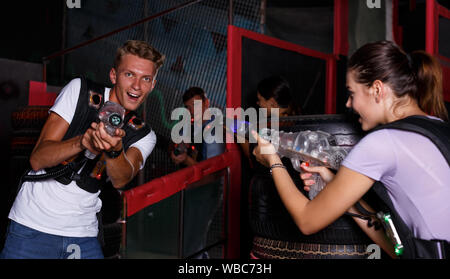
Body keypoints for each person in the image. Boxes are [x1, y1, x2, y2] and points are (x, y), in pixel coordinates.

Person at [253, 41, 450, 258]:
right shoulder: (438, 127)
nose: (348, 104)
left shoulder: (382, 142)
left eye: (352, 93)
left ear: (377, 89)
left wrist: (273, 159)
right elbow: (400, 250)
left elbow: (307, 221)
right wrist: (337, 187)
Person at [0, 40, 164, 259]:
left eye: (146, 79)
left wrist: (114, 150)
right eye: (129, 75)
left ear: (153, 85)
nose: (137, 86)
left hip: (82, 233)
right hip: (32, 225)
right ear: (114, 76)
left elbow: (122, 179)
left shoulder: (144, 134)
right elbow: (38, 159)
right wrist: (82, 142)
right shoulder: (81, 91)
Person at [170, 87, 225, 258]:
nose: (192, 110)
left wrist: (185, 158)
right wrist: (177, 152)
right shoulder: (191, 126)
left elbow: (212, 171)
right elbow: (178, 148)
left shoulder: (214, 129)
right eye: (188, 107)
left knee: (193, 244)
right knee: (190, 241)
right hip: (191, 188)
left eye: (195, 105)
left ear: (206, 103)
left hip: (206, 191)